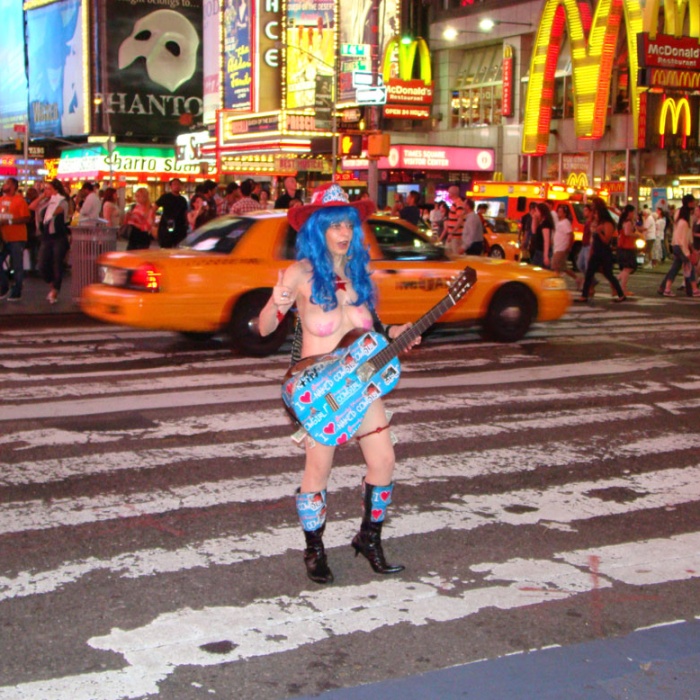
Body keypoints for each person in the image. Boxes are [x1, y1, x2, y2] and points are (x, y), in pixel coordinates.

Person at [258, 183, 419, 585]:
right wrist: (277, 302)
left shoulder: (358, 274)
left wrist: (396, 332)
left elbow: (372, 332)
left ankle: (369, 538)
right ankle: (314, 550)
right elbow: (263, 329)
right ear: (318, 230)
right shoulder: (300, 274)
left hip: (360, 384)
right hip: (320, 391)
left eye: (348, 225)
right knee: (318, 470)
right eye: (335, 226)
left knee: (383, 461)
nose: (344, 233)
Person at [575, 197, 625, 303]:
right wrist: (591, 252)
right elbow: (593, 240)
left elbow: (606, 240)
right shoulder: (597, 223)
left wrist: (599, 232)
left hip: (604, 252)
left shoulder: (607, 223)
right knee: (589, 273)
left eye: (596, 214)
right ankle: (584, 295)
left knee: (608, 274)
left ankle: (620, 294)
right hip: (596, 251)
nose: (595, 216)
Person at [30, 179, 71, 304]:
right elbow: (32, 207)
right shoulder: (45, 202)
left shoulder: (62, 202)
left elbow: (55, 212)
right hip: (46, 236)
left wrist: (52, 201)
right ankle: (52, 284)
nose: (46, 191)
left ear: (55, 190)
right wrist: (42, 196)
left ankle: (55, 290)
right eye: (45, 189)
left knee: (57, 263)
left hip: (58, 236)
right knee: (42, 264)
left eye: (48, 189)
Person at [658, 202, 700, 297]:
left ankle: (667, 288)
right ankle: (694, 289)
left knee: (675, 268)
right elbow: (684, 240)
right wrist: (688, 253)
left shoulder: (679, 222)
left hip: (677, 246)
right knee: (689, 267)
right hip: (681, 247)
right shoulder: (684, 223)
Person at [0, 177, 32, 301]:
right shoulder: (1, 200)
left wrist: (8, 221)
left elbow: (26, 218)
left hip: (17, 237)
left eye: (7, 183)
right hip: (4, 238)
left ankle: (17, 290)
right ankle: (4, 286)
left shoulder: (19, 200)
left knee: (17, 265)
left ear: (13, 186)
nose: (4, 185)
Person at [615, 204, 640, 297]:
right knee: (628, 268)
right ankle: (622, 288)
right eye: (633, 212)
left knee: (627, 268)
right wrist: (637, 235)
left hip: (624, 247)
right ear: (629, 212)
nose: (633, 214)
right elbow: (627, 233)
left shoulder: (624, 221)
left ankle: (616, 283)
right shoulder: (628, 222)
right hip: (627, 247)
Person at [155, 178, 188, 248]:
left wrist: (186, 223)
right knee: (166, 248)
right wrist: (155, 222)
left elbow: (185, 213)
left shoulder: (183, 200)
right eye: (174, 184)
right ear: (170, 186)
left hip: (180, 227)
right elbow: (155, 208)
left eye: (178, 184)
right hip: (166, 226)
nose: (177, 186)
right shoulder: (165, 197)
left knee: (179, 248)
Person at [551, 203, 577, 284]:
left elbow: (571, 235)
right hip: (557, 248)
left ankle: (556, 282)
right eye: (558, 211)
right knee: (562, 267)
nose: (558, 213)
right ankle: (578, 279)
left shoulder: (565, 223)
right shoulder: (559, 222)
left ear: (565, 214)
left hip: (561, 248)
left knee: (556, 266)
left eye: (560, 212)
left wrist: (568, 247)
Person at [529, 202, 554, 268]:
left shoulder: (546, 223)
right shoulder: (541, 222)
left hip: (542, 252)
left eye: (537, 210)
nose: (536, 212)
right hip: (538, 250)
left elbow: (546, 240)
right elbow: (533, 231)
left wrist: (545, 256)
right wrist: (534, 218)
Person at [441, 185, 465, 252]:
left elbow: (460, 220)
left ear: (452, 194)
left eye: (449, 193)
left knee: (455, 255)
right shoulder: (455, 203)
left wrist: (452, 233)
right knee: (448, 253)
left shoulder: (458, 204)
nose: (448, 194)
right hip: (453, 236)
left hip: (456, 236)